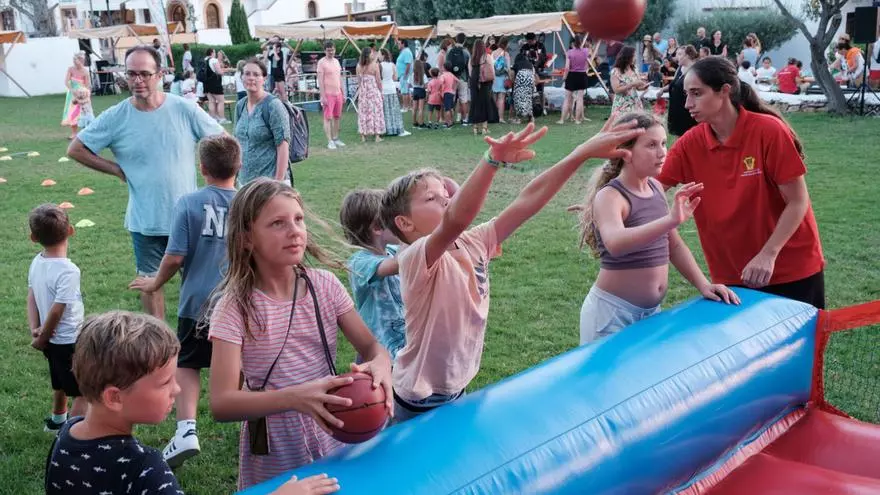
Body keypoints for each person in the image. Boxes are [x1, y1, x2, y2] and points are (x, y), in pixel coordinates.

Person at [379, 120, 646, 422]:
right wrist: (491, 161)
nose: (445, 199)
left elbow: (527, 200)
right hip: (417, 399)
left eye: (445, 194)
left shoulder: (473, 242)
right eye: (431, 198)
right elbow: (455, 219)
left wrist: (579, 154)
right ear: (405, 224)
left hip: (456, 387)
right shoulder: (414, 258)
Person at [208, 178, 393, 490]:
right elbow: (222, 403)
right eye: (277, 223)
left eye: (298, 219)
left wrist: (382, 364)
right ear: (246, 239)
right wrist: (295, 398)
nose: (294, 231)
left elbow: (373, 346)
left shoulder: (325, 286)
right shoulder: (234, 308)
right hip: (275, 443)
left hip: (334, 427)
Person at [44, 311, 341, 495]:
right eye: (164, 383)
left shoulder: (67, 433)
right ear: (114, 397)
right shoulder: (144, 467)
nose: (176, 390)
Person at [67, 45, 224, 320]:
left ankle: (207, 342)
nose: (137, 80)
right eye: (131, 74)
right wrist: (115, 169)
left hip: (189, 218)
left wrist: (214, 179)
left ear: (160, 74)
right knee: (150, 285)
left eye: (144, 74)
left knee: (203, 287)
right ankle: (159, 351)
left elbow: (223, 142)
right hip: (145, 220)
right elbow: (76, 149)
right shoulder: (117, 116)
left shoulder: (184, 109)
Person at [659, 56, 825, 309]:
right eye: (686, 95)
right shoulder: (689, 144)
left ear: (724, 91)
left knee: (801, 349)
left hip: (792, 269)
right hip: (733, 278)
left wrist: (768, 254)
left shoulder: (769, 131)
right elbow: (649, 189)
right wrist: (612, 203)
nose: (687, 104)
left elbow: (798, 201)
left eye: (696, 94)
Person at [574, 113, 738, 344]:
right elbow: (616, 243)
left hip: (650, 313)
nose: (662, 152)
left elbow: (675, 245)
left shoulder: (655, 188)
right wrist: (670, 220)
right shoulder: (611, 196)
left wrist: (704, 284)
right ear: (625, 152)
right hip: (611, 314)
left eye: (663, 143)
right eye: (651, 145)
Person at [128, 135, 240, 467]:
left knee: (188, 363)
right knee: (243, 361)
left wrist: (154, 283)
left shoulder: (189, 203)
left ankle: (187, 430)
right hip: (240, 301)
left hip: (197, 303)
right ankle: (256, 422)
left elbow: (175, 257)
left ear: (201, 167)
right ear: (239, 165)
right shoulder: (250, 201)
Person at [27, 204, 87, 432]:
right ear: (71, 230)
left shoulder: (37, 261)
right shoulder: (69, 270)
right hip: (67, 339)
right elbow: (57, 310)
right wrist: (43, 336)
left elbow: (31, 296)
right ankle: (72, 435)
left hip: (50, 338)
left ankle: (57, 420)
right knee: (83, 391)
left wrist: (36, 328)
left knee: (60, 381)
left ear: (33, 238)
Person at [340, 189, 406, 359]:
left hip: (402, 345)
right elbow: (399, 263)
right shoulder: (359, 263)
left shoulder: (391, 250)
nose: (401, 222)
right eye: (395, 219)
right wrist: (407, 232)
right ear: (377, 227)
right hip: (377, 351)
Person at [234, 58, 292, 185]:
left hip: (270, 183)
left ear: (264, 79)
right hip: (245, 183)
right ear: (241, 77)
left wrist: (277, 183)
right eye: (247, 74)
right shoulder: (240, 106)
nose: (251, 78)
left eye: (256, 74)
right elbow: (237, 142)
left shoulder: (273, 105)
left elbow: (283, 145)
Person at [316, 41, 346, 150]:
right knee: (328, 117)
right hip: (328, 94)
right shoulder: (321, 63)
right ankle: (329, 141)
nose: (331, 52)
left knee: (337, 116)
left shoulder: (337, 62)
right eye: (328, 50)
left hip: (338, 93)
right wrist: (323, 96)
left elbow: (340, 78)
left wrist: (343, 93)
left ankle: (336, 138)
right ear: (325, 51)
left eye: (332, 50)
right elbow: (320, 80)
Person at [666, 45, 699, 136]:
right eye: (677, 54)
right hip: (676, 107)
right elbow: (675, 84)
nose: (677, 57)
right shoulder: (680, 69)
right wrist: (662, 90)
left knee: (687, 136)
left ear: (688, 55)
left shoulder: (695, 71)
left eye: (680, 54)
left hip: (686, 111)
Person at [356, 47, 385, 142]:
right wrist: (381, 92)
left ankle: (363, 136)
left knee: (364, 113)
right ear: (368, 54)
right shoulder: (375, 65)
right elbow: (378, 81)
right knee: (375, 112)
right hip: (373, 91)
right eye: (372, 53)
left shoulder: (358, 66)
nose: (373, 54)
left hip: (363, 92)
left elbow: (359, 81)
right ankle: (377, 135)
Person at [559, 34, 590, 125]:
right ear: (582, 42)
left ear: (572, 43)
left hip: (571, 75)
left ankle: (562, 119)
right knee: (580, 98)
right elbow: (587, 63)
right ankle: (577, 120)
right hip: (582, 75)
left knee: (567, 98)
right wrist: (585, 70)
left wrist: (564, 77)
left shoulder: (569, 52)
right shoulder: (586, 51)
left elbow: (567, 67)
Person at [380, 49, 411, 137]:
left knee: (385, 111)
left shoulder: (380, 65)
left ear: (383, 55)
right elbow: (395, 77)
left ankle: (386, 129)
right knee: (394, 110)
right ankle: (396, 128)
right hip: (391, 88)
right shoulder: (392, 65)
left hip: (384, 89)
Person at [610, 46, 647, 120]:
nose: (635, 58)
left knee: (637, 126)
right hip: (621, 104)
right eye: (633, 56)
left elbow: (638, 87)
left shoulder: (635, 69)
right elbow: (616, 90)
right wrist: (632, 84)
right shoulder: (615, 71)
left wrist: (643, 86)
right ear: (627, 57)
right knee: (622, 127)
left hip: (635, 102)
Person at [467, 38, 494, 135]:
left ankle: (475, 128)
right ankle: (484, 128)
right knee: (485, 104)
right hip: (485, 82)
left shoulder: (471, 58)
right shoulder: (487, 57)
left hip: (474, 82)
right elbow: (492, 70)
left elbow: (470, 73)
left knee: (475, 104)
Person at [61, 52, 91, 140]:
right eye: (74, 60)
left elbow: (87, 85)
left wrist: (83, 94)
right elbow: (66, 82)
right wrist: (72, 90)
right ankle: (74, 133)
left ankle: (85, 133)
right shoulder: (70, 69)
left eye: (76, 60)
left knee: (83, 113)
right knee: (72, 112)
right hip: (72, 94)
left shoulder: (85, 72)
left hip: (82, 95)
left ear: (82, 61)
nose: (74, 62)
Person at [448, 33, 471, 124]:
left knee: (452, 99)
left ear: (456, 39)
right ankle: (465, 119)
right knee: (463, 99)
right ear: (464, 40)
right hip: (463, 78)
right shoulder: (466, 52)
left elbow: (447, 64)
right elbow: (469, 66)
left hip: (452, 79)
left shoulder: (450, 50)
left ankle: (450, 120)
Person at [203, 48, 228, 124]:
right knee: (221, 101)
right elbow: (219, 72)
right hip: (215, 83)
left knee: (211, 101)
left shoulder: (205, 60)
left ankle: (213, 118)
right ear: (212, 52)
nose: (215, 53)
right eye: (214, 52)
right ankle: (222, 118)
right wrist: (225, 70)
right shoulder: (214, 60)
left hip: (206, 84)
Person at [491, 37, 512, 124]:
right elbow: (508, 67)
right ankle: (501, 118)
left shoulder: (493, 53)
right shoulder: (506, 54)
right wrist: (510, 77)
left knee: (494, 98)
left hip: (494, 78)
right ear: (506, 44)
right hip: (502, 77)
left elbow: (491, 66)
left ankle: (493, 117)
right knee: (501, 99)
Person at [512, 52, 536, 124]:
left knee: (518, 99)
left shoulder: (516, 64)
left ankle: (518, 118)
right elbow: (534, 75)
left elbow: (512, 76)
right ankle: (531, 117)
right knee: (528, 99)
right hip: (529, 81)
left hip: (520, 82)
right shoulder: (530, 64)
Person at [396, 39, 414, 112]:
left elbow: (408, 64)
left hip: (404, 75)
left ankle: (405, 107)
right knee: (406, 91)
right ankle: (408, 107)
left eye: (399, 43)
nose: (398, 45)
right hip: (403, 75)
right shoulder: (404, 52)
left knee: (404, 92)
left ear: (403, 44)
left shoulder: (406, 52)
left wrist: (405, 75)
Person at [412, 51, 428, 128]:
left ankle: (414, 122)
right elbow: (426, 85)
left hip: (415, 90)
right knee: (421, 108)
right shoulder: (423, 75)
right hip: (421, 91)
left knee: (414, 108)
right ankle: (421, 123)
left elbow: (409, 84)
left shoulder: (412, 75)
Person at [440, 62, 459, 127]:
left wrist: (441, 90)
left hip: (446, 93)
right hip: (451, 93)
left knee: (447, 109)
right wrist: (454, 89)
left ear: (444, 68)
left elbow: (441, 83)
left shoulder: (443, 75)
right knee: (451, 108)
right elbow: (457, 81)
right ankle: (451, 120)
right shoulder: (451, 74)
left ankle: (448, 123)